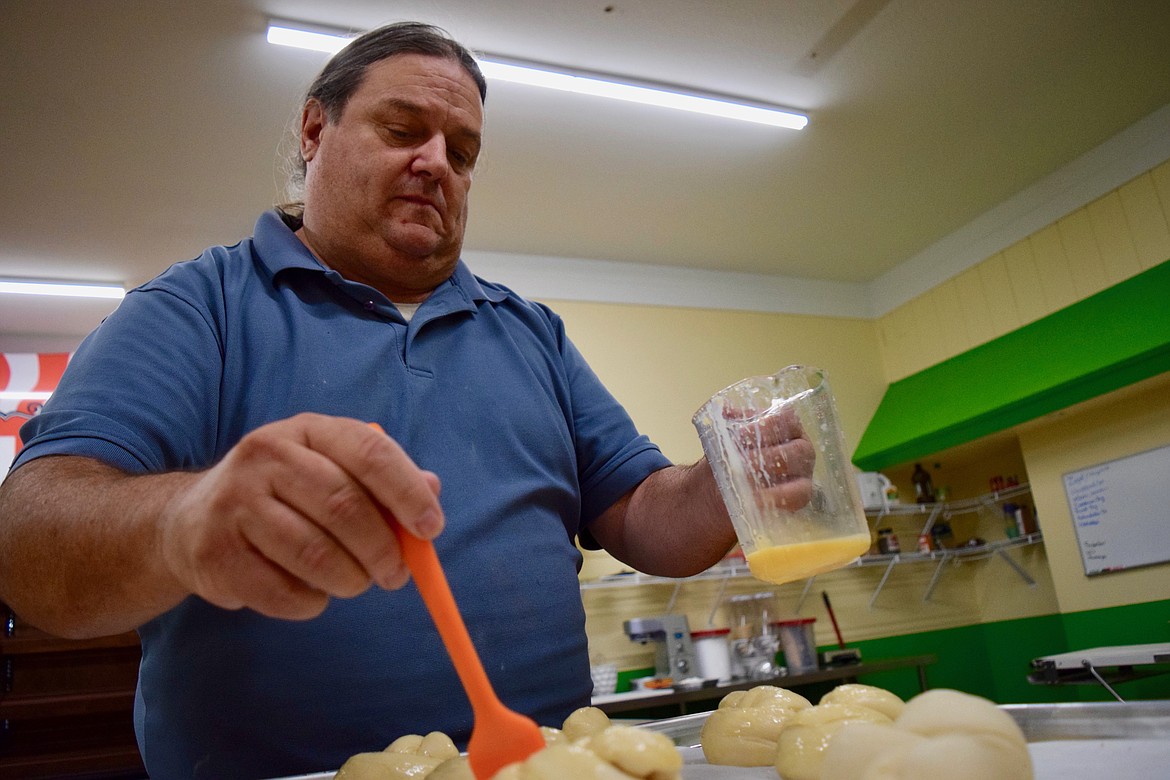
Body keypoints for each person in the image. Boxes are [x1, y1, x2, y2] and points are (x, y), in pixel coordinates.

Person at [0, 22, 813, 779]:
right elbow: (29, 542)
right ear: (314, 132)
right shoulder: (197, 308)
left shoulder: (529, 331)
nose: (436, 162)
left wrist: (725, 482)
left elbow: (640, 514)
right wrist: (188, 520)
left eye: (462, 152)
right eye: (402, 130)